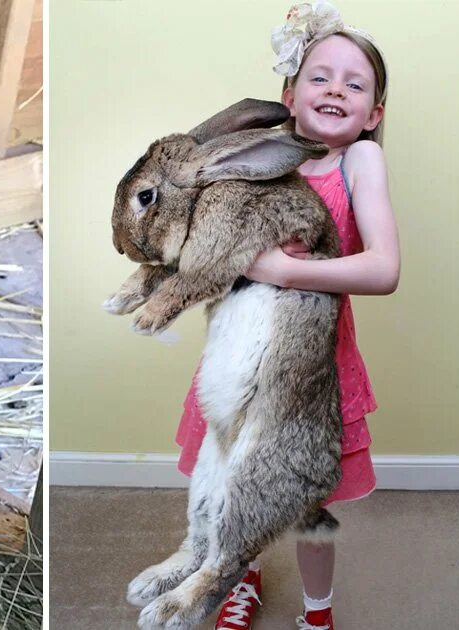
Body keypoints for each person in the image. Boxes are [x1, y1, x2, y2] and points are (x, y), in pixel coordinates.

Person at [174, 3, 400, 629]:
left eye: (355, 84)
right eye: (319, 76)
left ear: (373, 113)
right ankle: (238, 577)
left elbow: (382, 270)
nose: (335, 89)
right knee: (232, 486)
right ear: (288, 95)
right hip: (239, 366)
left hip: (308, 379)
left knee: (308, 505)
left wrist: (285, 271)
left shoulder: (360, 163)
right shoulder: (260, 162)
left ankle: (317, 613)